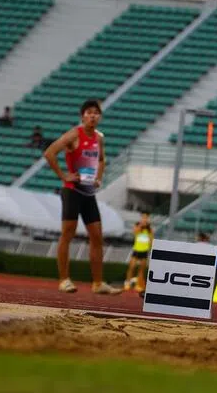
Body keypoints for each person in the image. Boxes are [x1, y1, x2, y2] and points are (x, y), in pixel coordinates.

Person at [42, 99, 120, 295]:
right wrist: (63, 176)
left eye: (96, 113)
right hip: (72, 190)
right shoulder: (74, 135)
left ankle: (98, 283)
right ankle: (64, 280)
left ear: (100, 117)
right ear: (83, 116)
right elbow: (50, 153)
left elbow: (101, 159)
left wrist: (99, 178)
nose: (93, 116)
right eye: (89, 112)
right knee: (68, 234)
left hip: (88, 192)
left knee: (97, 236)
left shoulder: (99, 138)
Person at [123, 212, 153, 293]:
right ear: (141, 218)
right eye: (143, 217)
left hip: (144, 251)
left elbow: (151, 239)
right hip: (136, 250)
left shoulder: (149, 229)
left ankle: (138, 285)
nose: (144, 219)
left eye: (146, 218)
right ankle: (127, 283)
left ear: (148, 218)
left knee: (141, 269)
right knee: (131, 267)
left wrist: (150, 247)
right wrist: (141, 225)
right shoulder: (137, 226)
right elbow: (135, 232)